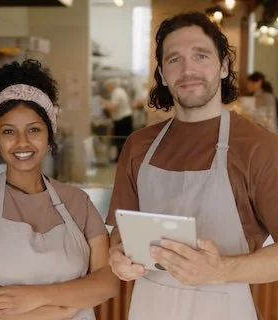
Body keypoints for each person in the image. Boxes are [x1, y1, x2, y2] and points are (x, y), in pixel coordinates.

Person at [106, 11, 278, 320]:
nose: (188, 70)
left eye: (201, 55)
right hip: (148, 309)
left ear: (224, 66)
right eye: (174, 59)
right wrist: (118, 256)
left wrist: (221, 268)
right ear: (161, 74)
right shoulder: (138, 146)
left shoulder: (259, 147)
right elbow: (120, 233)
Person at [0, 60, 118, 320]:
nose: (22, 142)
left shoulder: (78, 202)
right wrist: (59, 311)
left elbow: (106, 283)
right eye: (9, 131)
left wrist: (35, 297)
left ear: (49, 134)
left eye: (34, 130)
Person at [101, 78, 133, 161]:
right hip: (121, 119)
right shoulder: (118, 91)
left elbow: (113, 107)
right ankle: (119, 158)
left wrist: (103, 102)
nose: (107, 89)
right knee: (120, 141)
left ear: (111, 85)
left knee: (121, 140)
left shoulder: (117, 93)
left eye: (107, 86)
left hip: (123, 119)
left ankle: (123, 159)